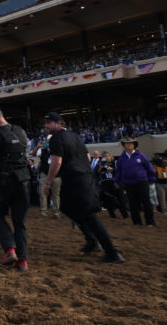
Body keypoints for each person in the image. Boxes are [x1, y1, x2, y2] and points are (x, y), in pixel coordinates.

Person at [41, 112, 124, 263]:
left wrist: (48, 182)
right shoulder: (74, 136)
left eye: (49, 123)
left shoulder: (55, 139)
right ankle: (92, 241)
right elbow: (87, 157)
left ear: (58, 123)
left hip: (75, 180)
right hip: (83, 177)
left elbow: (56, 162)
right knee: (67, 207)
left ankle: (112, 253)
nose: (46, 125)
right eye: (46, 123)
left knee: (89, 216)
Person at [0, 107, 31, 272]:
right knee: (19, 222)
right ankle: (23, 261)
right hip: (23, 180)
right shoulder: (20, 131)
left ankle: (9, 250)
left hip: (3, 181)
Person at [114, 136, 156, 227]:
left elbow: (149, 167)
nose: (128, 145)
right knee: (133, 204)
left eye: (130, 143)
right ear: (124, 145)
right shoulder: (121, 158)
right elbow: (119, 171)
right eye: (126, 143)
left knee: (146, 202)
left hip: (142, 182)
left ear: (134, 145)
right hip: (128, 183)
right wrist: (116, 181)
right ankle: (137, 222)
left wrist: (152, 178)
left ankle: (150, 222)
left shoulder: (141, 155)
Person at [98, 154, 128, 219]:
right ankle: (112, 215)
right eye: (105, 156)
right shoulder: (101, 165)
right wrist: (100, 169)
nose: (106, 157)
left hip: (116, 184)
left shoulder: (115, 163)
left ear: (111, 157)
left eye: (107, 156)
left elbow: (121, 172)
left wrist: (113, 169)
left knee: (121, 200)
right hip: (106, 186)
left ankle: (125, 215)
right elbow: (97, 174)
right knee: (108, 201)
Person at [36, 136, 61, 217]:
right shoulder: (42, 150)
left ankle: (56, 212)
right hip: (45, 174)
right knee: (42, 193)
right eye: (48, 141)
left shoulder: (59, 150)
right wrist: (37, 147)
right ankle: (43, 211)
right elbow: (33, 154)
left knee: (55, 194)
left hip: (57, 175)